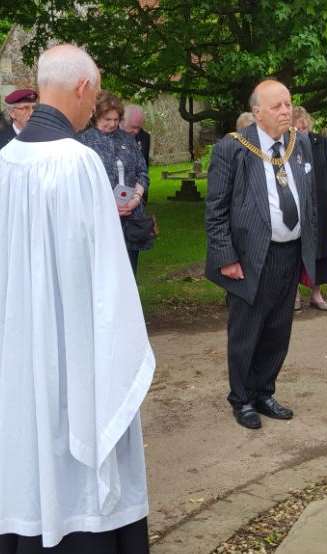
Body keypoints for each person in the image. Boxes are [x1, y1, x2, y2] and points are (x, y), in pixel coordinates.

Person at [0, 43, 155, 554]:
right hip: (78, 357)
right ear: (84, 88)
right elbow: (109, 282)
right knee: (80, 469)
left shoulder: (3, 164)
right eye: (96, 94)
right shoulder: (80, 164)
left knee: (25, 446)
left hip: (18, 349)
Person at [205, 79, 318, 430]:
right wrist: (226, 256)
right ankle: (242, 399)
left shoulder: (299, 145)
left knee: (277, 330)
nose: (286, 111)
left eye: (288, 104)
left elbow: (308, 198)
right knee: (246, 332)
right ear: (257, 112)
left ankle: (264, 391)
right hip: (251, 257)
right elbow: (216, 209)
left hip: (290, 253)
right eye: (277, 106)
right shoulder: (233, 148)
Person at [78, 91, 150, 276]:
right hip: (101, 217)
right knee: (105, 274)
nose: (112, 124)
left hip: (131, 216)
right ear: (96, 116)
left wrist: (135, 198)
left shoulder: (127, 139)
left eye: (116, 119)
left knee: (130, 271)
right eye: (107, 119)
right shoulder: (84, 141)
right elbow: (81, 182)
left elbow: (143, 172)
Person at [292, 106, 327, 311]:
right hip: (296, 206)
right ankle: (293, 294)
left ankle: (316, 294)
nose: (303, 124)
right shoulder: (286, 145)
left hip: (321, 204)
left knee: (321, 250)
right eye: (298, 121)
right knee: (295, 250)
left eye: (305, 121)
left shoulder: (319, 142)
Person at [121, 104, 151, 201]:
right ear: (122, 121)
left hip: (138, 193)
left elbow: (144, 167)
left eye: (139, 127)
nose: (136, 131)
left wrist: (139, 194)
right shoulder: (109, 136)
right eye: (133, 127)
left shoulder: (144, 137)